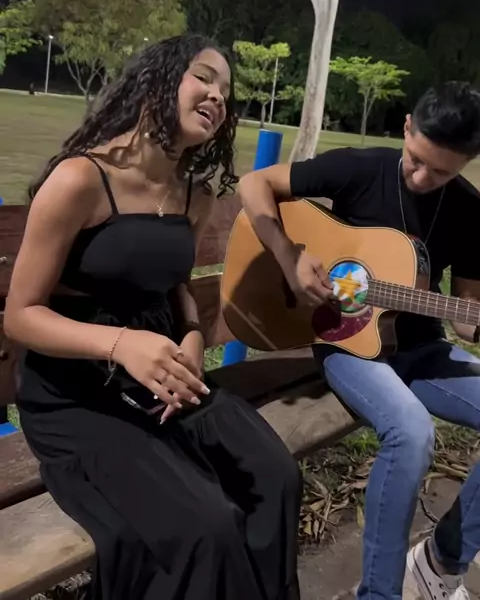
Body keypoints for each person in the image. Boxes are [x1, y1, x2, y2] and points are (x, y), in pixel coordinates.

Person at [4, 35, 302, 600]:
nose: (217, 95)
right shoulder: (80, 179)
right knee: (204, 527)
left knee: (275, 479)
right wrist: (122, 344)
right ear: (157, 81)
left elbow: (177, 289)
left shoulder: (194, 196)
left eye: (226, 90)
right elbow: (20, 316)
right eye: (204, 77)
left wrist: (191, 337)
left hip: (163, 378)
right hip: (77, 394)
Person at [239, 81, 480, 600]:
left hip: (420, 349)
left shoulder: (469, 209)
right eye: (417, 159)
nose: (421, 178)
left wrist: (474, 321)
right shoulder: (360, 167)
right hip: (346, 341)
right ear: (407, 128)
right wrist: (288, 254)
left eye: (441, 172)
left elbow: (466, 316)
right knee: (411, 433)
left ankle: (441, 561)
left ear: (466, 163)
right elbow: (254, 184)